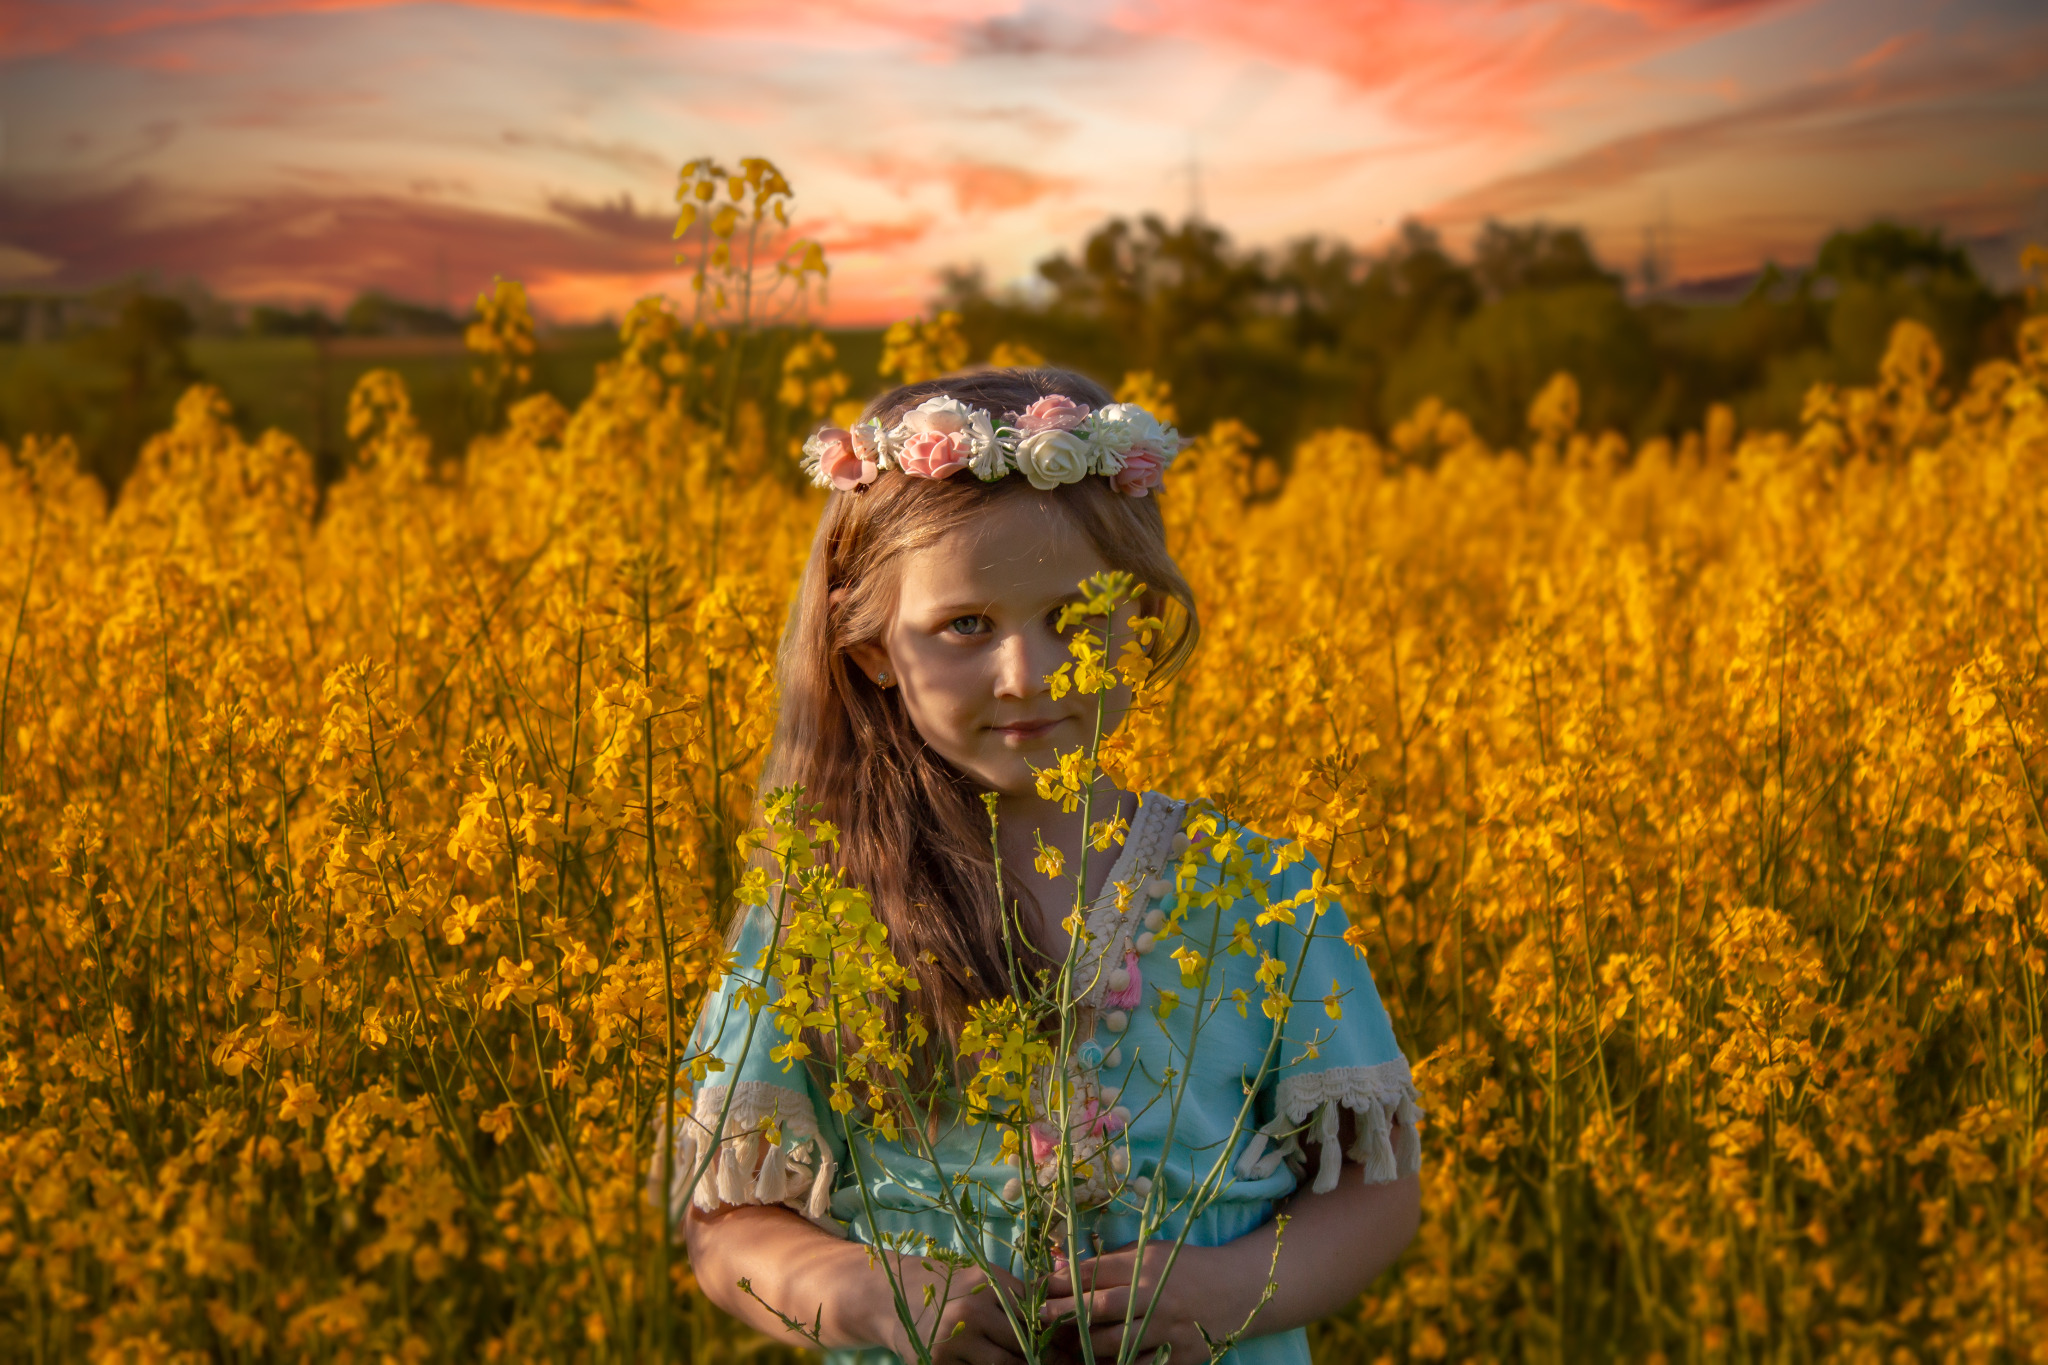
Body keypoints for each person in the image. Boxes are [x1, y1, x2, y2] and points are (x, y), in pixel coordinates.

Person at [656, 367, 1422, 1365]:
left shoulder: (1261, 892)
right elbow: (726, 1225)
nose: (1028, 675)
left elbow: (1374, 1190)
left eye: (1075, 618)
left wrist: (1228, 1292)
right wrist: (875, 1297)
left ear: (1139, 621)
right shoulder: (823, 906)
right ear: (871, 646)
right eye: (966, 625)